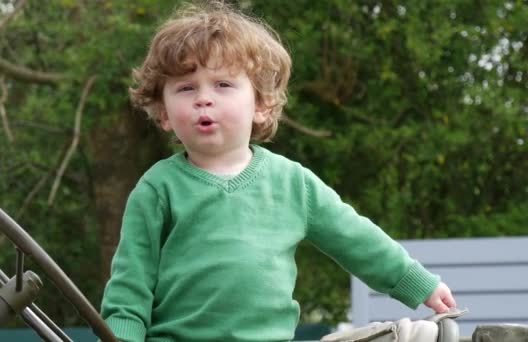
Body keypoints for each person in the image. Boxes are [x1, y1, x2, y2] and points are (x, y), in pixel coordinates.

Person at [100, 1, 456, 341]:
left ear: (261, 103)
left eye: (223, 84)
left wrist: (417, 282)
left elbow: (356, 238)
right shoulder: (158, 188)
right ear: (164, 112)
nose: (203, 98)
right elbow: (129, 288)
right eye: (186, 87)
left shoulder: (293, 184)